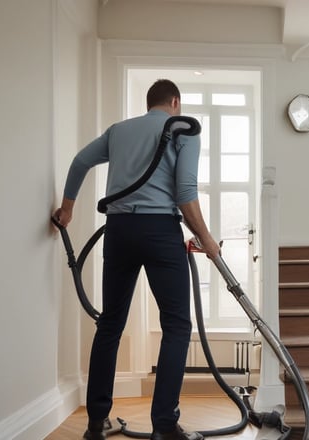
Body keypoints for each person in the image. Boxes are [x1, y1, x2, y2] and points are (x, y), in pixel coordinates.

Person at [53, 79, 220, 440]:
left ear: (150, 103)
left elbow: (80, 161)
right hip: (161, 231)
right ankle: (164, 425)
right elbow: (185, 191)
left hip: (119, 231)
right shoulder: (184, 128)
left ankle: (96, 422)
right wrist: (208, 240)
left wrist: (67, 210)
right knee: (176, 325)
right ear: (175, 101)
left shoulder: (119, 131)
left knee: (110, 324)